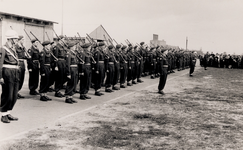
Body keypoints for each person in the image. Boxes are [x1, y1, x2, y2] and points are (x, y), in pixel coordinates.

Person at [0, 29, 20, 123]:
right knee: (7, 95)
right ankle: (3, 114)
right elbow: (0, 64)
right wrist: (0, 77)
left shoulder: (13, 49)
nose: (16, 40)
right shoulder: (3, 49)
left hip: (15, 73)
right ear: (10, 39)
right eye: (15, 39)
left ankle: (8, 112)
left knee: (14, 95)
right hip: (7, 73)